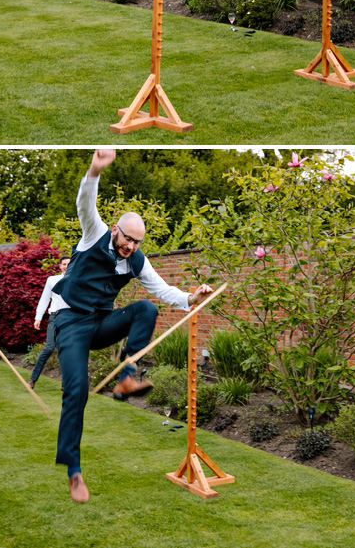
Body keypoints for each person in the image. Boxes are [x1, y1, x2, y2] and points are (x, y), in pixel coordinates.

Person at [53, 149, 214, 503]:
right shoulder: (94, 233)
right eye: (127, 239)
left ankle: (128, 375)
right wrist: (94, 170)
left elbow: (162, 289)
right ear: (115, 231)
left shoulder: (136, 259)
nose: (130, 246)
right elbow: (85, 203)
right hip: (71, 324)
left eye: (137, 242)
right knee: (76, 391)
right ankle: (73, 470)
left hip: (101, 323)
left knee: (145, 308)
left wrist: (192, 298)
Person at [28, 256, 69, 390]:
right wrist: (38, 317)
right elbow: (45, 299)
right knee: (49, 348)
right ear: (60, 266)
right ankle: (33, 379)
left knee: (65, 351)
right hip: (54, 317)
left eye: (69, 264)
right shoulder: (52, 280)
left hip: (70, 319)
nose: (66, 266)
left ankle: (65, 384)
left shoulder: (77, 279)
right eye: (64, 264)